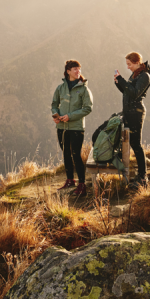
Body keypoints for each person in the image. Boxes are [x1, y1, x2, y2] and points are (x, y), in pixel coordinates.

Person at [51, 59, 93, 197]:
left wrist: (70, 116)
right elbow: (54, 104)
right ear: (68, 71)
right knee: (66, 154)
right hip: (61, 127)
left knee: (76, 154)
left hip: (76, 127)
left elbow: (87, 108)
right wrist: (55, 115)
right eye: (75, 69)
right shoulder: (60, 88)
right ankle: (70, 180)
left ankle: (82, 184)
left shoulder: (84, 88)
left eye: (79, 69)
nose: (78, 71)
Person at [114, 51, 150, 188]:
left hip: (136, 113)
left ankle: (143, 177)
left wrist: (123, 81)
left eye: (129, 64)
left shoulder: (145, 76)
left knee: (136, 144)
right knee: (130, 143)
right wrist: (119, 83)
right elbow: (128, 92)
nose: (128, 67)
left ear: (137, 62)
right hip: (129, 112)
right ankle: (137, 174)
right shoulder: (135, 74)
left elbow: (135, 94)